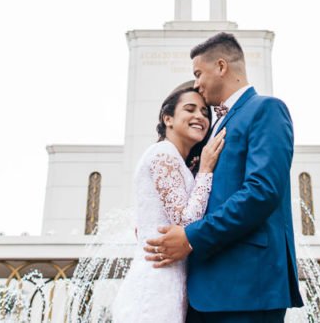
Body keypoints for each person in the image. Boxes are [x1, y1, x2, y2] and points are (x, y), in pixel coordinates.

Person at [146, 32, 304, 323]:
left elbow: (261, 191)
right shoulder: (212, 126)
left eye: (198, 73)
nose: (196, 84)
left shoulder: (266, 110)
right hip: (204, 291)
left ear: (221, 66)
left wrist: (192, 237)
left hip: (246, 288)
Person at [112, 82, 226, 323]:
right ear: (168, 118)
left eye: (205, 112)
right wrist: (206, 170)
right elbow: (185, 223)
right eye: (190, 109)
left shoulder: (176, 160)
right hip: (155, 285)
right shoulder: (163, 154)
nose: (200, 116)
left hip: (169, 281)